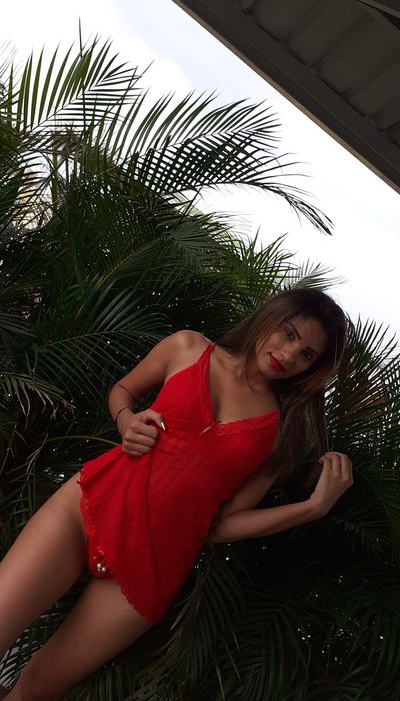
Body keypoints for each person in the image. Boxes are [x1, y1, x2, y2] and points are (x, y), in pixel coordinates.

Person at [0, 288, 353, 700]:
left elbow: (221, 526)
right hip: (89, 506)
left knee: (37, 690)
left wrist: (313, 507)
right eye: (288, 334)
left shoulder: (280, 435)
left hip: (150, 571)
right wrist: (127, 421)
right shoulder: (187, 347)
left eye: (307, 354)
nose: (289, 355)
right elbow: (122, 391)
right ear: (270, 316)